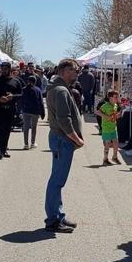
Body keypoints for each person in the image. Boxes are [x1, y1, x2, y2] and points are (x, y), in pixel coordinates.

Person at [44, 59, 84, 233]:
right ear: (66, 71)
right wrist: (76, 138)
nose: (77, 74)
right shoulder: (60, 90)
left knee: (57, 180)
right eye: (75, 70)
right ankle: (52, 219)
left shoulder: (58, 88)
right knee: (57, 181)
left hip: (60, 139)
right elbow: (64, 119)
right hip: (62, 140)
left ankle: (57, 215)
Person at [0, 62, 22, 159]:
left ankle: (4, 149)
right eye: (2, 68)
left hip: (10, 109)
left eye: (6, 68)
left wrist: (13, 96)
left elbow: (21, 94)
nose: (4, 70)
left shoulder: (16, 81)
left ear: (9, 69)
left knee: (7, 130)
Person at [95, 90, 123, 165]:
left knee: (116, 143)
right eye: (115, 97)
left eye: (118, 97)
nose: (117, 99)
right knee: (107, 144)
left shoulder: (115, 105)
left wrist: (117, 116)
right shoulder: (105, 105)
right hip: (106, 128)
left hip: (113, 128)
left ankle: (114, 157)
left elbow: (113, 116)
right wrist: (106, 116)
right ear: (110, 98)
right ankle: (105, 159)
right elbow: (97, 112)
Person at [19, 75, 45, 149]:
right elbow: (41, 102)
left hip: (26, 110)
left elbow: (20, 101)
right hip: (35, 111)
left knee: (26, 127)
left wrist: (20, 110)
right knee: (34, 127)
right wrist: (42, 112)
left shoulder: (23, 89)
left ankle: (26, 144)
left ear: (28, 81)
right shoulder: (38, 90)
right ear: (35, 82)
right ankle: (33, 143)